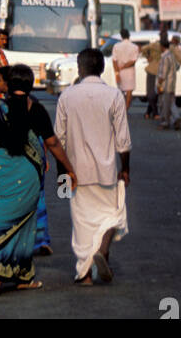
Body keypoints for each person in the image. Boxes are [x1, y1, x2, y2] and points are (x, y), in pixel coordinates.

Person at [0, 64, 76, 296]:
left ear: (8, 85)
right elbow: (53, 144)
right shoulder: (37, 109)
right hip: (27, 174)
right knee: (23, 226)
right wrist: (69, 170)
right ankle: (23, 277)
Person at [55, 47, 131, 285]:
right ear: (102, 68)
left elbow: (59, 139)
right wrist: (125, 169)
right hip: (106, 171)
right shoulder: (114, 96)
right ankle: (103, 250)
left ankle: (85, 274)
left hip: (75, 172)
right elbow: (123, 140)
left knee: (82, 224)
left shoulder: (67, 96)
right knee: (114, 214)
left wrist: (62, 176)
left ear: (80, 68)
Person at [157, 35, 181, 130]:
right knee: (171, 103)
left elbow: (163, 73)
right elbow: (177, 67)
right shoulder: (172, 56)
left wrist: (159, 83)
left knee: (164, 104)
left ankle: (165, 122)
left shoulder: (165, 57)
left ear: (162, 47)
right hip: (172, 83)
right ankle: (176, 118)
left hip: (166, 85)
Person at [140, 30, 168, 119]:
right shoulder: (166, 46)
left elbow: (143, 48)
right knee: (154, 93)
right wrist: (148, 56)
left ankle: (151, 113)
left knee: (152, 92)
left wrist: (148, 56)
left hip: (154, 70)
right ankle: (152, 113)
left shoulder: (156, 45)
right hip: (159, 71)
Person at [112, 28, 140, 110]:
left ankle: (120, 109)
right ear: (129, 36)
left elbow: (114, 60)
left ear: (121, 36)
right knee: (129, 92)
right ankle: (126, 109)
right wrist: (124, 66)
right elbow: (133, 61)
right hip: (130, 72)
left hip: (120, 72)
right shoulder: (134, 47)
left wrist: (117, 72)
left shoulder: (116, 46)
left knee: (120, 92)